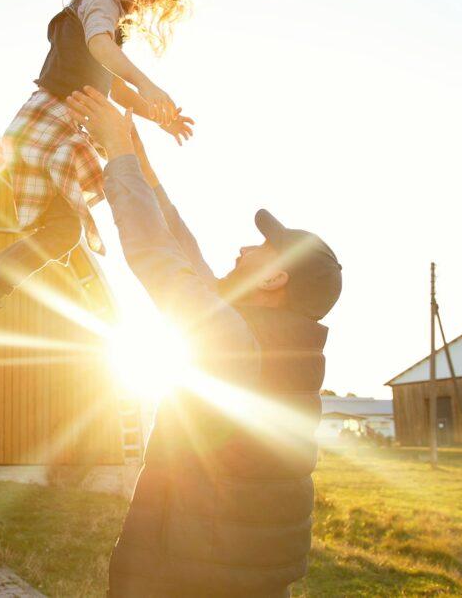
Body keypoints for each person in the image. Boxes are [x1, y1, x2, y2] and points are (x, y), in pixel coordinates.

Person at [65, 86, 342, 597]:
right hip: (229, 572)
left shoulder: (235, 340)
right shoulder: (267, 343)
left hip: (188, 577)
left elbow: (156, 255)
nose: (243, 248)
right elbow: (178, 240)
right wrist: (131, 154)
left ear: (275, 280)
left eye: (260, 249)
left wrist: (121, 158)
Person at [0, 0, 200, 358]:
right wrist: (150, 85)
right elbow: (102, 49)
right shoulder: (97, 2)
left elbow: (111, 84)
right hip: (48, 124)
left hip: (52, 125)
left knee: (61, 229)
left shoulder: (99, 15)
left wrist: (158, 117)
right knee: (62, 230)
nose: (142, 1)